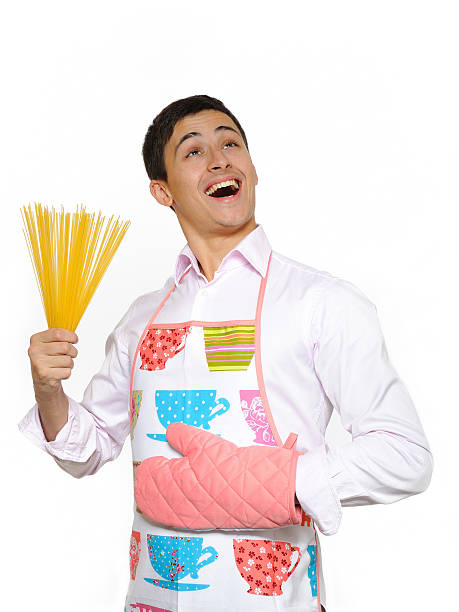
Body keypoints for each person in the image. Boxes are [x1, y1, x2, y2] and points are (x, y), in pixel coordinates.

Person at [18, 94, 433, 612]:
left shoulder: (321, 303)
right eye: (193, 151)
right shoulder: (141, 319)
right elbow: (90, 447)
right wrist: (47, 389)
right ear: (162, 191)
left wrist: (272, 482)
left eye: (230, 143)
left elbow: (405, 455)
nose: (219, 158)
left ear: (252, 170)